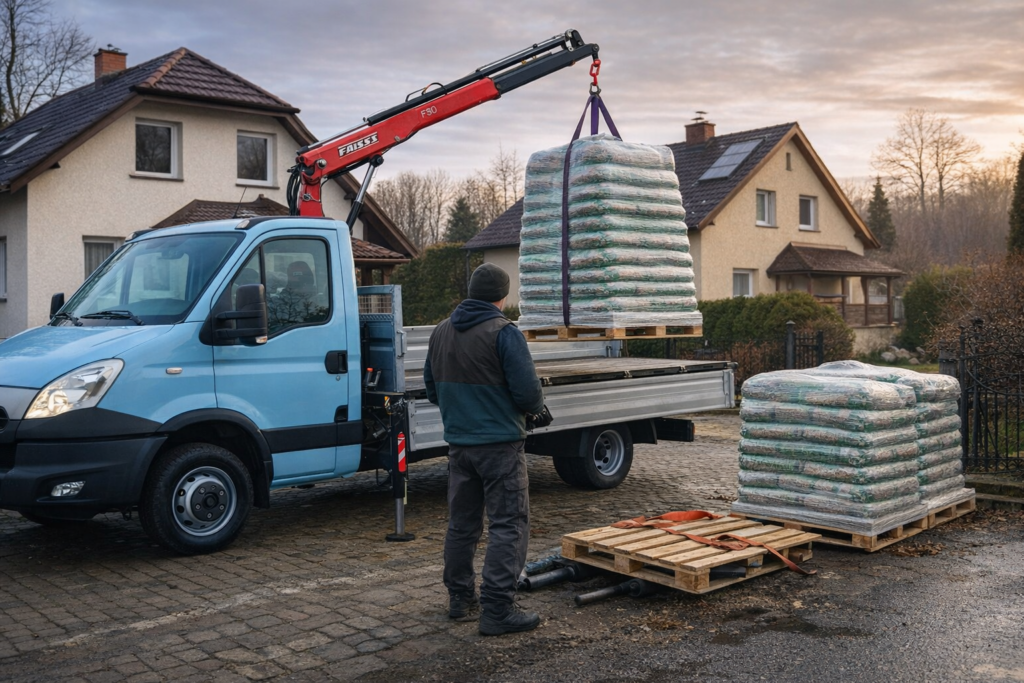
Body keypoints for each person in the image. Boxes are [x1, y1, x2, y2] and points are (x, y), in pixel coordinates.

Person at [423, 263, 545, 636]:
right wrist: (533, 409)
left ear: (472, 291)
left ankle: (460, 599)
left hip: (459, 447)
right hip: (500, 448)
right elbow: (528, 395)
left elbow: (431, 390)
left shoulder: (441, 331)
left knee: (462, 526)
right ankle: (497, 610)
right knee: (509, 525)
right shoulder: (504, 332)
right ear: (502, 296)